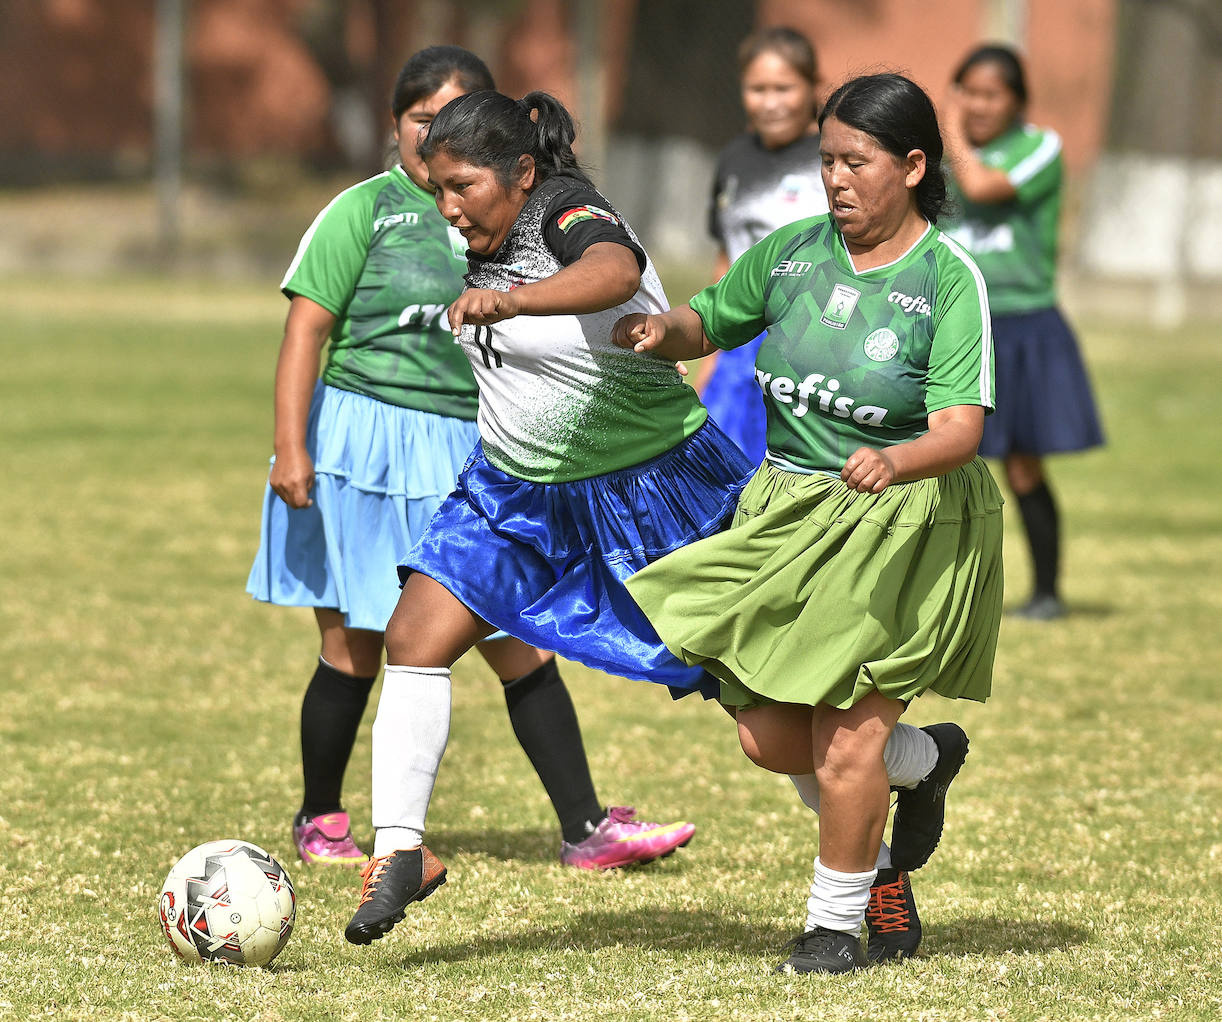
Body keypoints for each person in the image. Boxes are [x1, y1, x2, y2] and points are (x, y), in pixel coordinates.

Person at [247, 46, 694, 876]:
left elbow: (601, 273)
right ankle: (323, 818)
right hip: (367, 443)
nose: (436, 151)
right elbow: (305, 328)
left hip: (470, 444)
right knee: (355, 641)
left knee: (512, 643)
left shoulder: (518, 218)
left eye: (456, 130)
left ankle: (584, 827)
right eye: (422, 122)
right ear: (396, 127)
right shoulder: (364, 211)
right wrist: (292, 445)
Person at [342, 88, 758, 946]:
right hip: (515, 491)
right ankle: (399, 853)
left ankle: (898, 776)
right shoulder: (479, 235)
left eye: (462, 186)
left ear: (521, 172)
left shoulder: (566, 208)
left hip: (649, 488)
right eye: (437, 189)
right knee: (414, 636)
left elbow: (617, 272)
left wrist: (517, 302)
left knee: (763, 701)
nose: (448, 208)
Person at [615, 73, 1004, 973]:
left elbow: (960, 430)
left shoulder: (948, 280)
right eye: (826, 160)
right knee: (767, 734)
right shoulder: (792, 254)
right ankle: (923, 760)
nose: (834, 178)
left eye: (854, 161)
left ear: (912, 166)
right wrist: (655, 332)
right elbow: (707, 321)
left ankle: (838, 922)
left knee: (845, 740)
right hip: (788, 510)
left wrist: (895, 458)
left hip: (898, 519)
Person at [943, 44, 1103, 620]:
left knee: (1022, 463)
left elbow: (983, 187)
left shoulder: (1040, 148)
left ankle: (1047, 592)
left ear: (1016, 100)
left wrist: (951, 128)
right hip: (958, 322)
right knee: (943, 459)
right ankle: (947, 595)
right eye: (969, 92)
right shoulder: (934, 159)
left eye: (992, 94)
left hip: (1024, 323)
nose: (979, 105)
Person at [696, 26, 830, 463]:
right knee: (720, 470)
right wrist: (709, 353)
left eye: (784, 88)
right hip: (739, 344)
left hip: (811, 347)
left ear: (813, 86)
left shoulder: (832, 157)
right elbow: (726, 256)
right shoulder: (733, 159)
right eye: (758, 88)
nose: (770, 102)